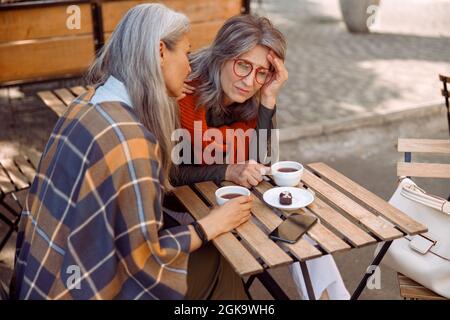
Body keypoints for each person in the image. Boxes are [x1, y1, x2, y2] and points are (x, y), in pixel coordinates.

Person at [10, 4, 252, 300]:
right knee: (218, 259)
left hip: (40, 275)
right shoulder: (131, 140)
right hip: (82, 288)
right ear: (161, 52)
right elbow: (145, 259)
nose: (190, 67)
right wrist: (210, 225)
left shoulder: (85, 104)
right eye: (186, 54)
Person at [173, 15, 350, 300]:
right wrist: (226, 170)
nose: (249, 81)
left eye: (261, 72)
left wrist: (268, 99)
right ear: (222, 55)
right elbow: (168, 174)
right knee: (285, 226)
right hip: (185, 209)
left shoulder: (255, 97)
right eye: (243, 64)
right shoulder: (183, 89)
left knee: (303, 229)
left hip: (233, 199)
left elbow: (261, 162)